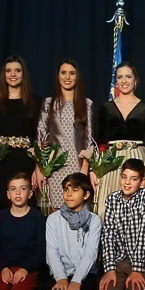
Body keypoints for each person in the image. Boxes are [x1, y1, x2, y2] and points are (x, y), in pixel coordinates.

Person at [91, 61, 145, 216]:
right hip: (111, 163)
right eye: (120, 77)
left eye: (128, 76)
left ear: (136, 81)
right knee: (108, 211)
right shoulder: (106, 108)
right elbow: (99, 141)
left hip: (138, 160)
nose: (124, 80)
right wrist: (94, 170)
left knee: (137, 211)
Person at [36, 59, 93, 214]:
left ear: (77, 77)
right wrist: (39, 168)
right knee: (54, 215)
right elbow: (40, 138)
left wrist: (84, 170)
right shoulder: (48, 103)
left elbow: (90, 140)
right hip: (52, 169)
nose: (67, 77)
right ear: (58, 76)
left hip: (77, 166)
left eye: (72, 73)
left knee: (76, 212)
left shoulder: (86, 104)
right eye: (63, 73)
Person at [98, 159, 145, 290]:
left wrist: (137, 269)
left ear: (142, 181)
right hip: (119, 260)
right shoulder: (112, 199)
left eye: (133, 178)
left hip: (142, 260)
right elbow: (108, 234)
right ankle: (123, 283)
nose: (127, 182)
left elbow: (144, 233)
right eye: (124, 177)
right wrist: (110, 268)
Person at [0, 172, 46, 290]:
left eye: (23, 188)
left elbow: (41, 250)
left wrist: (26, 269)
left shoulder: (38, 217)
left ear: (30, 194)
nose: (18, 193)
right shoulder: (0, 217)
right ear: (8, 194)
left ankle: (32, 289)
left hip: (27, 266)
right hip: (5, 266)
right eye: (13, 189)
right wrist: (3, 268)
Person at [0, 55, 39, 212]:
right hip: (0, 163)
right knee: (1, 206)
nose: (13, 74)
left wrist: (38, 167)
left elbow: (38, 137)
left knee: (25, 206)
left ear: (24, 74)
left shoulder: (34, 101)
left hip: (25, 161)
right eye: (8, 71)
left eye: (17, 70)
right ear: (4, 74)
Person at [45, 172, 101, 290]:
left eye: (75, 190)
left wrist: (76, 280)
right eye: (66, 190)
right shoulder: (53, 219)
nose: (69, 194)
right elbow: (52, 252)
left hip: (84, 273)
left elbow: (90, 253)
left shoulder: (94, 220)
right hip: (62, 271)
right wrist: (61, 278)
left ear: (86, 195)